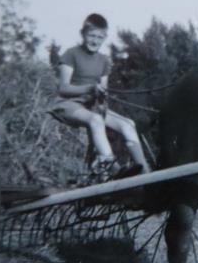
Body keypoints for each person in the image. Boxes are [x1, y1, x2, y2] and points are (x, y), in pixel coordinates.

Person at [50, 13, 150, 179]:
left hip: (91, 107)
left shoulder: (104, 60)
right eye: (91, 35)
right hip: (68, 105)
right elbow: (63, 88)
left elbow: (103, 90)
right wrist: (90, 88)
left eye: (99, 37)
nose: (95, 41)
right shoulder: (71, 54)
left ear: (105, 37)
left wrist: (102, 101)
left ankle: (146, 173)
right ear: (83, 34)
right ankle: (113, 169)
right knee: (95, 120)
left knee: (128, 124)